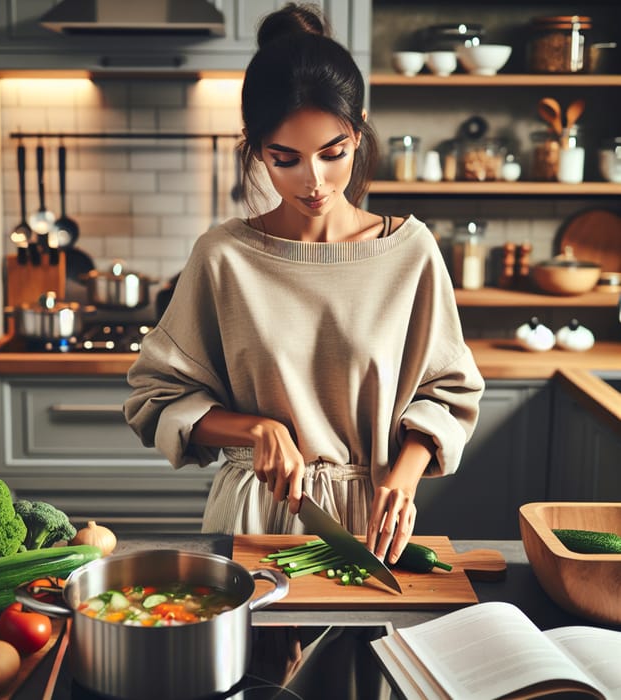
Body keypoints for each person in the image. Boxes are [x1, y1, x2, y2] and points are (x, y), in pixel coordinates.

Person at [125, 2, 484, 565]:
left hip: (371, 526)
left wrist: (404, 478)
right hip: (251, 522)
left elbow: (449, 393)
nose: (313, 181)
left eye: (333, 153)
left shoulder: (410, 253)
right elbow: (156, 397)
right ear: (255, 147)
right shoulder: (223, 257)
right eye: (284, 159)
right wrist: (254, 430)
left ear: (359, 131)